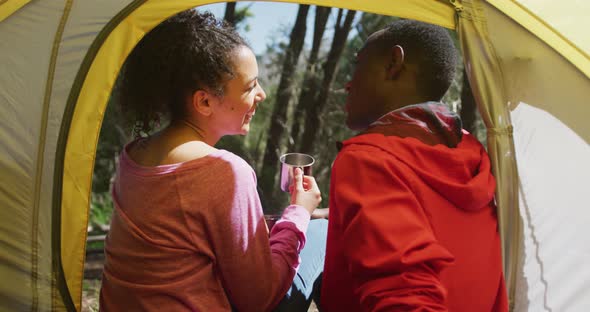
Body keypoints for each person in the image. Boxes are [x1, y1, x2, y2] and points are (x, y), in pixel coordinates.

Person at [99, 11, 327, 312]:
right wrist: (298, 212)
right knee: (322, 234)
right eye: (250, 86)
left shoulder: (134, 156)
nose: (262, 94)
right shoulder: (225, 171)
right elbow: (259, 299)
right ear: (204, 101)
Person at [321, 20, 508, 311]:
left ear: (394, 63)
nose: (348, 83)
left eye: (358, 66)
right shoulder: (472, 154)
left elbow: (404, 295)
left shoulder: (369, 159)